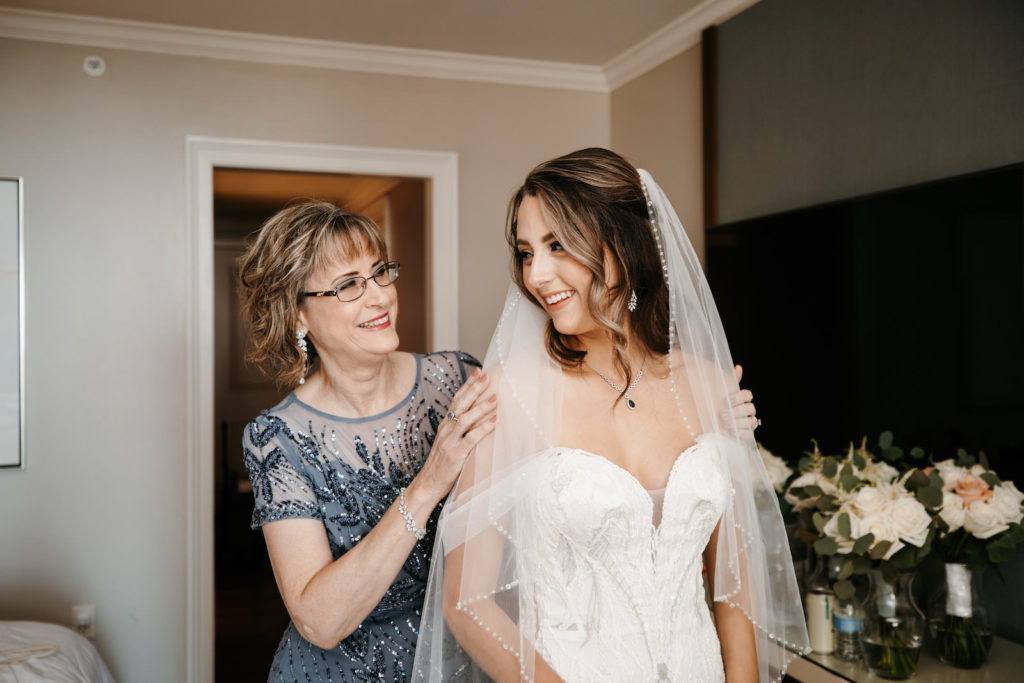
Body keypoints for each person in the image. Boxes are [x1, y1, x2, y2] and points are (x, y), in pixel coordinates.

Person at [413, 149, 810, 682]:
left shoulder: (712, 385)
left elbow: (734, 586)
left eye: (558, 245)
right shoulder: (507, 394)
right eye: (527, 252)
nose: (538, 274)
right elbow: (466, 603)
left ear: (627, 243)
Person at [236, 201, 498, 681]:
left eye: (380, 272)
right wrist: (428, 483)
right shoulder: (277, 440)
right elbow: (319, 621)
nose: (378, 297)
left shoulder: (459, 378)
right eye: (348, 285)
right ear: (298, 316)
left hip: (460, 659)